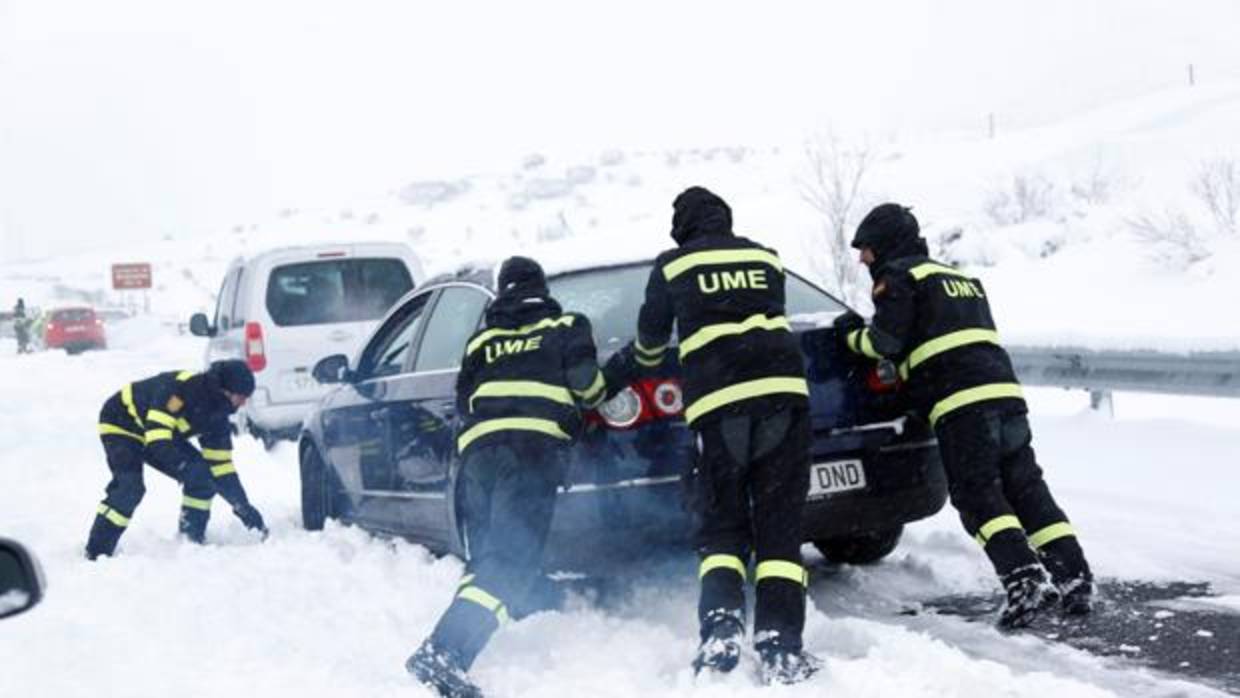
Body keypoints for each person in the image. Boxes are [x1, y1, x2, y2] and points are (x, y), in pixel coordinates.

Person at [835, 203, 1093, 627]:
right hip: (1006, 397)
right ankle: (1074, 577)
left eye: (865, 248)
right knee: (1026, 489)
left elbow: (885, 341)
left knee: (978, 495)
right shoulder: (959, 279)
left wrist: (850, 336)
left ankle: (1023, 579)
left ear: (883, 245)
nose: (862, 258)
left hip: (961, 405)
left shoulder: (899, 277)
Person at [609, 186, 819, 685]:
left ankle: (721, 629)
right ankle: (781, 643)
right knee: (779, 526)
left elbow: (650, 347)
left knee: (723, 527)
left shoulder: (673, 266)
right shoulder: (766, 259)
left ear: (681, 228)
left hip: (720, 407)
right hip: (785, 402)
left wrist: (619, 371)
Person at [406, 256, 607, 698]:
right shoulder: (566, 326)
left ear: (502, 294)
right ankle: (444, 652)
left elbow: (464, 402)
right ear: (542, 289)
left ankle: (513, 612)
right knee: (510, 560)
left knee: (491, 555)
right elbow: (589, 387)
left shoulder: (483, 340)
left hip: (478, 459)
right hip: (530, 452)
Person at [86, 360, 268, 560]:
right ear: (224, 390)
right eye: (240, 397)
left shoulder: (218, 417)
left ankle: (191, 539)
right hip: (122, 422)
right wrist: (184, 467)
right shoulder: (181, 392)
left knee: (203, 477)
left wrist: (243, 506)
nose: (242, 404)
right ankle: (96, 552)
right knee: (130, 488)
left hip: (160, 435)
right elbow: (158, 439)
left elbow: (221, 468)